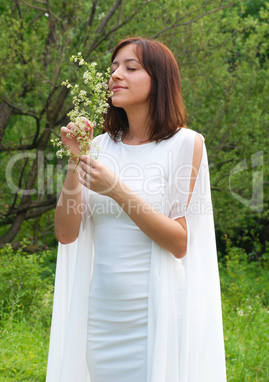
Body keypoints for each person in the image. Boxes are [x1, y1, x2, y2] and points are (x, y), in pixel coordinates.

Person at [46, 37, 226, 382]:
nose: (115, 74)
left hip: (156, 312)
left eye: (130, 67)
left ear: (159, 80)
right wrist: (74, 159)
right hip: (101, 315)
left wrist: (116, 190)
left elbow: (179, 242)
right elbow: (66, 234)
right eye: (113, 67)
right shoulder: (98, 146)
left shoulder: (186, 144)